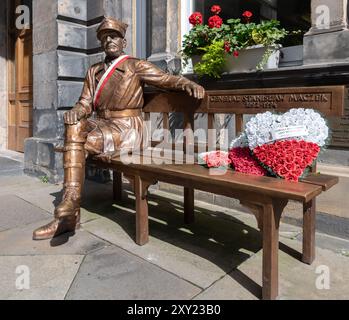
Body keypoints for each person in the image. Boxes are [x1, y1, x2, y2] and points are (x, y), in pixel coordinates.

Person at [33, 17, 205, 240]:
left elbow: (165, 79)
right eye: (105, 37)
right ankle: (70, 202)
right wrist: (77, 110)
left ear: (123, 42)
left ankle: (68, 214)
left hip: (127, 128)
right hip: (101, 124)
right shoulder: (94, 71)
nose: (109, 40)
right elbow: (85, 102)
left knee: (75, 144)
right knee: (74, 125)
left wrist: (187, 83)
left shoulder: (135, 65)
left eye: (114, 36)